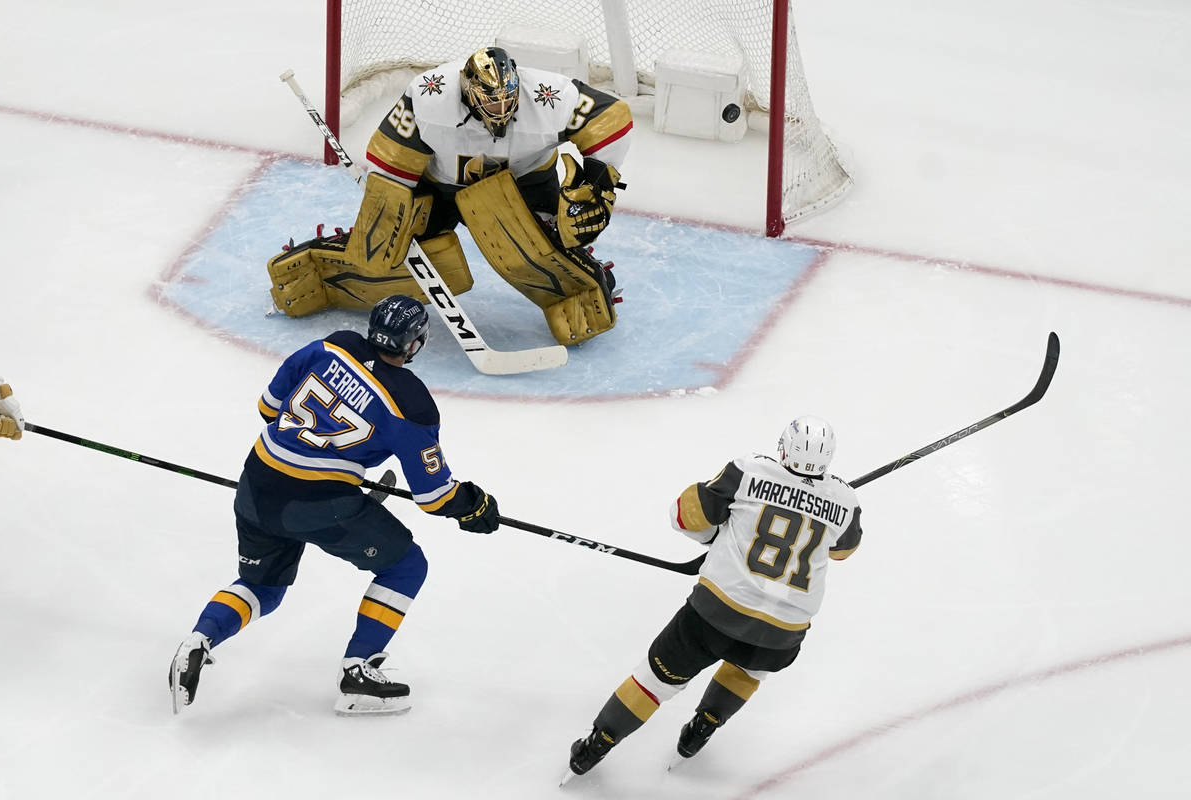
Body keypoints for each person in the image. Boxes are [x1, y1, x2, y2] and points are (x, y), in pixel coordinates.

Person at [169, 295, 500, 716]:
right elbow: (434, 497)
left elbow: (268, 408)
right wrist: (473, 505)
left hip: (256, 479)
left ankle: (199, 639)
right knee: (406, 566)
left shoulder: (334, 344)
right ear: (414, 343)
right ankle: (358, 670)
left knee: (262, 588)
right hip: (318, 502)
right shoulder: (412, 403)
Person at [267, 46, 633, 346]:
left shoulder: (550, 96)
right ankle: (335, 267)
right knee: (410, 259)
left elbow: (612, 118)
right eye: (491, 102)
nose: (501, 110)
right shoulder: (430, 93)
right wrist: (388, 205)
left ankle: (571, 281)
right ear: (469, 90)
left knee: (539, 249)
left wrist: (597, 184)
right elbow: (391, 153)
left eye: (508, 99)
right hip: (439, 185)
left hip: (526, 181)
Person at [565, 416, 863, 777]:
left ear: (784, 447)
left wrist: (713, 539)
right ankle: (704, 725)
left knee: (655, 681)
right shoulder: (845, 500)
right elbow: (843, 550)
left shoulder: (749, 471)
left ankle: (596, 747)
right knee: (749, 667)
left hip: (716, 613)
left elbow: (684, 515)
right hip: (784, 633)